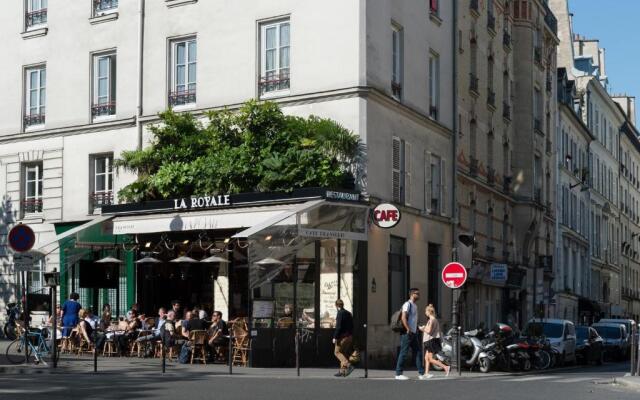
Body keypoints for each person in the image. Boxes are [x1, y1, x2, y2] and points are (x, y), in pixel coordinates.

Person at [395, 288, 426, 380]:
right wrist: (408, 329)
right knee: (403, 353)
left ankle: (421, 373)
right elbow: (403, 318)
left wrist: (417, 328)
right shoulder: (407, 304)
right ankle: (398, 373)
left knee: (418, 352)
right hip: (407, 333)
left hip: (413, 333)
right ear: (412, 294)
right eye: (417, 294)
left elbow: (413, 320)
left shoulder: (415, 306)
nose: (419, 295)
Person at [420, 304, 449, 378]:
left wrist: (423, 329)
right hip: (429, 341)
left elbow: (429, 331)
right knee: (426, 358)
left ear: (429, 312)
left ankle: (445, 367)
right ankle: (426, 373)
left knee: (430, 358)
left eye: (426, 311)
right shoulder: (432, 320)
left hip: (430, 341)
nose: (425, 313)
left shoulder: (432, 320)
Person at [332, 299, 354, 377]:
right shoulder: (348, 313)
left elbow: (338, 327)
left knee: (337, 352)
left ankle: (348, 365)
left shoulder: (340, 313)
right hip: (349, 336)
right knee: (343, 353)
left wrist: (335, 337)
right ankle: (342, 371)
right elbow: (352, 325)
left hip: (342, 337)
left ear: (337, 306)